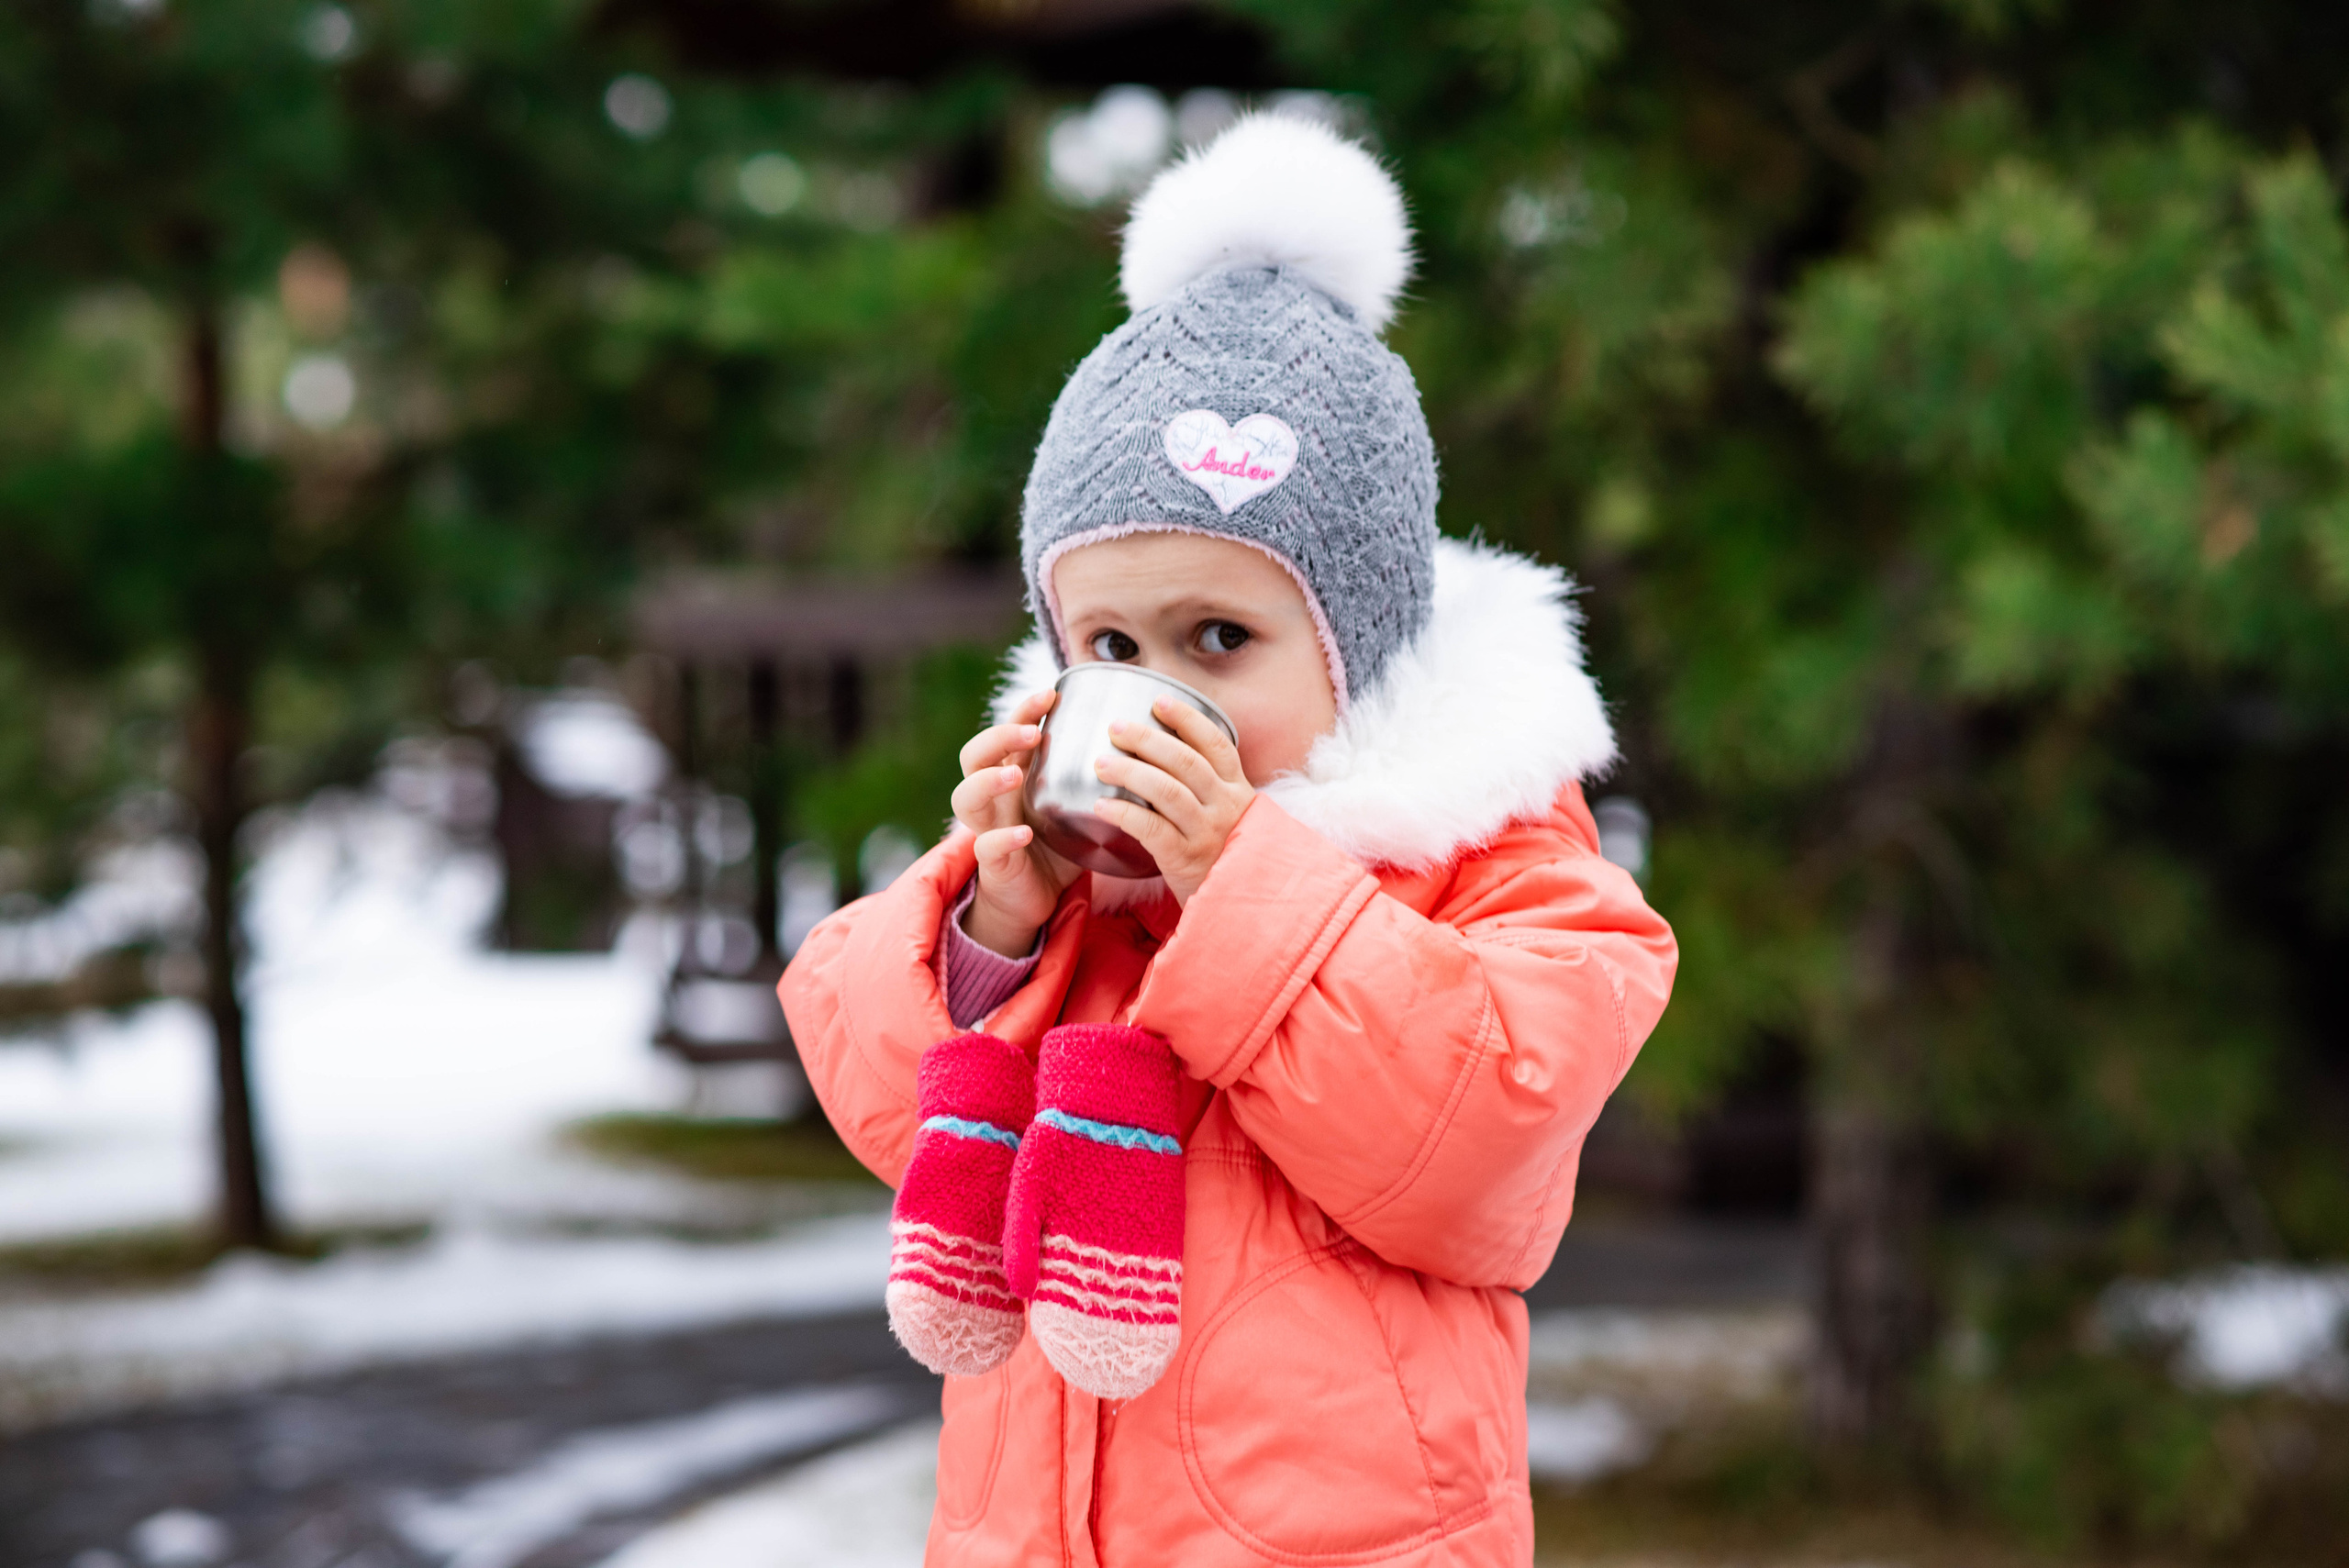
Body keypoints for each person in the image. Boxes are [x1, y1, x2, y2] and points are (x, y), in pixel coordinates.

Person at [780, 112, 1676, 1568]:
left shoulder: (1484, 858)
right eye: (1112, 641)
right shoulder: (1069, 891)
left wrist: (1240, 882)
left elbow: (1474, 1146)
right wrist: (990, 923)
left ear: (1358, 642)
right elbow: (887, 1104)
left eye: (1220, 636)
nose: (1159, 691)